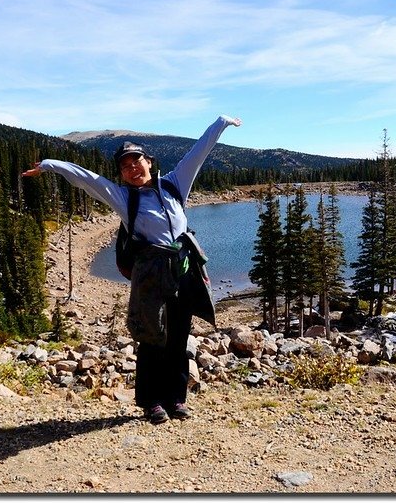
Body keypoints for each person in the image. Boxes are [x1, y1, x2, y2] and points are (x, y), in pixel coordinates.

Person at [22, 114, 242, 424]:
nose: (132, 168)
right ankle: (151, 402)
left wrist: (221, 123)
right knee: (153, 337)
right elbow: (87, 179)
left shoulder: (175, 185)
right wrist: (48, 165)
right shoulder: (125, 199)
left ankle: (176, 399)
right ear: (122, 174)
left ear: (150, 162)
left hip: (181, 271)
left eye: (136, 161)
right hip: (151, 277)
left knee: (179, 337)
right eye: (125, 166)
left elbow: (199, 152)